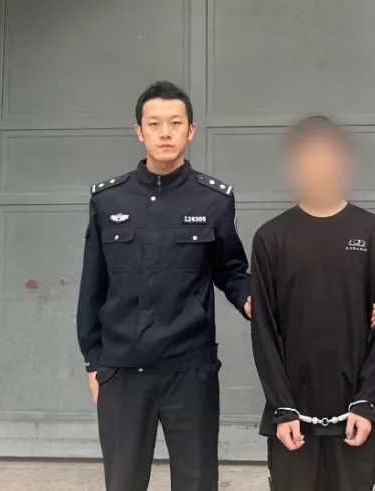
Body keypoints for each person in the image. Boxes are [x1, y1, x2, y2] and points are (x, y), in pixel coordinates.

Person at [76, 80, 251, 491]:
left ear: (191, 130)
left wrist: (251, 300)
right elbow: (92, 287)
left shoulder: (214, 200)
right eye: (154, 124)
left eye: (175, 123)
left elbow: (231, 269)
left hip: (190, 371)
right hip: (122, 371)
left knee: (196, 481)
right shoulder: (109, 201)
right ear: (139, 131)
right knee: (123, 482)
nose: (165, 133)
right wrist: (94, 361)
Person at [250, 116, 375, 491]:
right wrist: (282, 406)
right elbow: (264, 332)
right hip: (292, 424)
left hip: (359, 420)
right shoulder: (271, 237)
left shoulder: (372, 232)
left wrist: (366, 402)